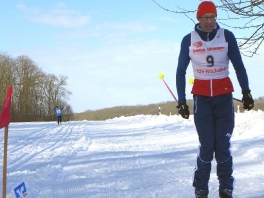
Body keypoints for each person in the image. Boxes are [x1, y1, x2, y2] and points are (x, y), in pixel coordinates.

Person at [175, 1, 254, 198]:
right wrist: (181, 101)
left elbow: (239, 66)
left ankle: (225, 187)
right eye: (205, 17)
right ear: (198, 19)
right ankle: (201, 187)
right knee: (207, 145)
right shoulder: (189, 40)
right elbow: (180, 72)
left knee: (223, 146)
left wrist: (246, 92)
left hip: (223, 98)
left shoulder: (227, 36)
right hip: (201, 99)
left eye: (212, 17)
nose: (209, 21)